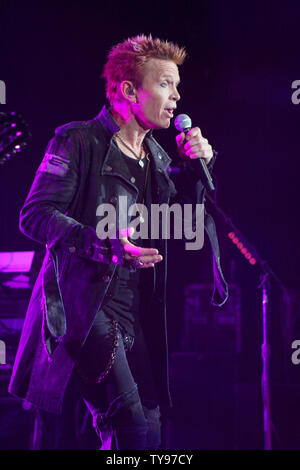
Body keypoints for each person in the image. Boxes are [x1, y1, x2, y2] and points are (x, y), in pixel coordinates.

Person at [8, 34, 228, 450]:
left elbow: (184, 225)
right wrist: (103, 245)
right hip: (85, 305)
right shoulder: (78, 141)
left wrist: (200, 168)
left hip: (136, 310)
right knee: (129, 426)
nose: (177, 96)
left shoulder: (160, 160)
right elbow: (34, 216)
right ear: (128, 90)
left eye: (177, 85)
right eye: (165, 83)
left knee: (154, 425)